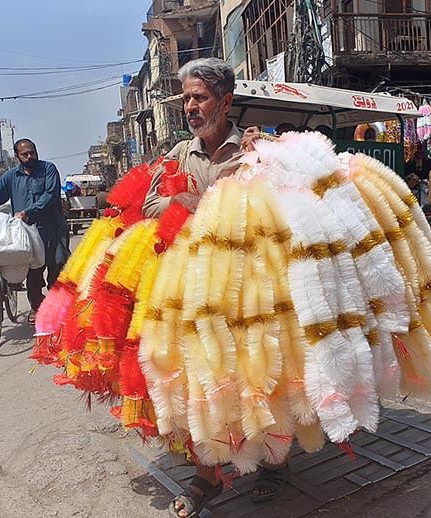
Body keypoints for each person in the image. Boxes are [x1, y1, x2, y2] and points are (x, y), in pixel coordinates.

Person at [141, 58, 275, 518]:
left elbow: (270, 210)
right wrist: (181, 202)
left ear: (226, 101)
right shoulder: (179, 154)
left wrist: (193, 202)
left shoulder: (255, 150)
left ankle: (274, 459)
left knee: (257, 375)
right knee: (202, 377)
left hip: (249, 285)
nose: (190, 107)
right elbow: (148, 207)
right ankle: (207, 474)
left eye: (199, 97)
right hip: (191, 286)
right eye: (185, 99)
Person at [0, 139, 70, 324]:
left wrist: (28, 212)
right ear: (17, 156)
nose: (29, 156)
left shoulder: (48, 169)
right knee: (33, 274)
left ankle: (58, 308)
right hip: (27, 233)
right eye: (24, 154)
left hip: (52, 230)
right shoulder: (11, 177)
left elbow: (50, 195)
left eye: (32, 152)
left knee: (57, 271)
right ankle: (38, 308)